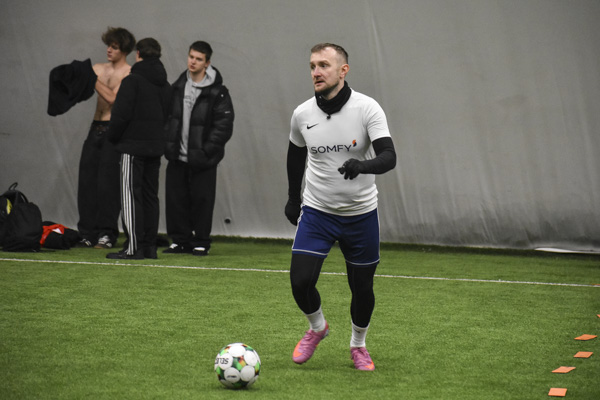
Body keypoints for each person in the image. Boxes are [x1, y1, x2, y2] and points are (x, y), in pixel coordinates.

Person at [285, 43, 396, 371]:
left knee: (361, 288)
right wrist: (293, 198)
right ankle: (317, 327)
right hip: (317, 212)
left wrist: (362, 166)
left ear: (343, 70)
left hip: (361, 215)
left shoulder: (367, 108)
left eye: (324, 65)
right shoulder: (302, 114)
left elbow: (389, 156)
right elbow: (295, 155)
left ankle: (358, 346)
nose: (316, 72)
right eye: (312, 66)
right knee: (300, 281)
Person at [163, 41, 234, 256]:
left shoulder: (218, 92)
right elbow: (167, 118)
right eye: (191, 57)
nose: (193, 62)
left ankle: (201, 241)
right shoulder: (177, 87)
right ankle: (179, 241)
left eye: (199, 59)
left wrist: (205, 151)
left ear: (207, 63)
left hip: (203, 159)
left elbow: (223, 126)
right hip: (177, 156)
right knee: (176, 201)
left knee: (202, 201)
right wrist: (168, 144)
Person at [105, 38, 171, 260]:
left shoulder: (132, 81)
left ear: (138, 54)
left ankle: (133, 247)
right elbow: (168, 116)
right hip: (155, 148)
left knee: (130, 197)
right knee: (151, 197)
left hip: (132, 148)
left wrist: (113, 139)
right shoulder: (165, 85)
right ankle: (149, 247)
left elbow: (120, 116)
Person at [77, 27, 136, 249]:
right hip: (95, 129)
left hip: (113, 131)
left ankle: (107, 234)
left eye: (115, 47)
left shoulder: (129, 73)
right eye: (109, 46)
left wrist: (91, 78)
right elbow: (78, 89)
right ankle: (87, 233)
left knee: (108, 185)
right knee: (87, 182)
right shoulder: (98, 68)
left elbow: (112, 98)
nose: (109, 50)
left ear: (124, 50)